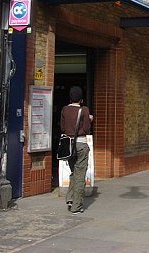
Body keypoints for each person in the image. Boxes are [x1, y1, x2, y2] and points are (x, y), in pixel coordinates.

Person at [60, 86, 92, 214]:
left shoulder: (64, 109)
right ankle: (76, 206)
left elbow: (62, 127)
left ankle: (70, 199)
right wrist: (89, 120)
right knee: (80, 175)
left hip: (68, 145)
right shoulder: (84, 110)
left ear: (70, 97)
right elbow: (86, 129)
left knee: (73, 171)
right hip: (81, 144)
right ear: (81, 99)